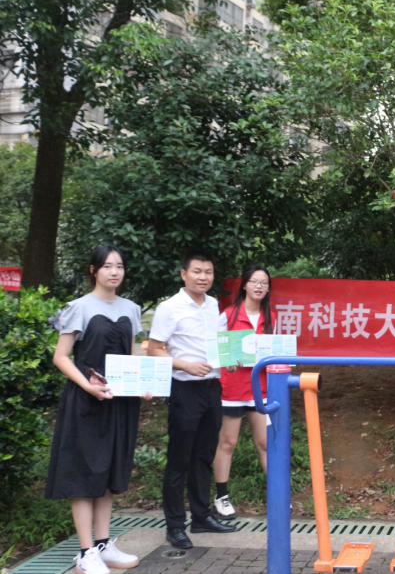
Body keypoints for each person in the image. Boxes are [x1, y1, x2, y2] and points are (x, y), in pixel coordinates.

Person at [46, 245, 145, 574]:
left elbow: (131, 357)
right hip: (86, 403)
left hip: (120, 403)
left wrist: (143, 384)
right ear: (93, 270)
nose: (114, 272)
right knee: (84, 473)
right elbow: (61, 356)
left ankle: (103, 546)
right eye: (107, 266)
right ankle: (86, 553)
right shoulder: (79, 307)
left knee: (109, 472)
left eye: (119, 266)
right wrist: (87, 386)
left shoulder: (131, 309)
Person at [147, 252, 237, 549]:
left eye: (208, 272)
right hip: (184, 389)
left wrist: (230, 359)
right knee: (180, 458)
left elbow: (217, 346)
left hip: (212, 389)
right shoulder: (169, 307)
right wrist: (184, 365)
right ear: (184, 274)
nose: (203, 277)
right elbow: (154, 349)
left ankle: (201, 517)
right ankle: (175, 526)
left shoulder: (213, 306)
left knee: (204, 456)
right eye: (197, 271)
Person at [211, 265, 275, 520]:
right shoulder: (228, 315)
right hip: (232, 389)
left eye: (264, 283)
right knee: (227, 443)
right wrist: (225, 360)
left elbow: (274, 352)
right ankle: (221, 497)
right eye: (255, 281)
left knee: (265, 443)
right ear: (245, 285)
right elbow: (215, 351)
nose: (259, 286)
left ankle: (277, 497)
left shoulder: (270, 317)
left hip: (261, 390)